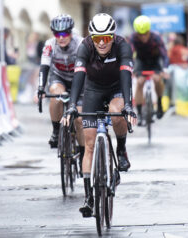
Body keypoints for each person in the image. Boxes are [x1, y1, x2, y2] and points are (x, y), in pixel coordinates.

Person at [62, 13, 137, 217]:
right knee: (90, 144)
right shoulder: (84, 47)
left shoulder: (122, 46)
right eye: (97, 39)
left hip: (116, 88)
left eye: (106, 38)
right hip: (93, 89)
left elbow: (125, 77)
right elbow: (78, 77)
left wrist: (128, 106)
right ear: (91, 38)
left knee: (116, 112)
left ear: (113, 36)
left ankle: (121, 150)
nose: (102, 43)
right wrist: (71, 106)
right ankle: (89, 197)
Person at [37, 14, 86, 174]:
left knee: (79, 119)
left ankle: (83, 152)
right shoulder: (50, 45)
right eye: (57, 34)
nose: (61, 37)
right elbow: (44, 67)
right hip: (59, 78)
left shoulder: (80, 43)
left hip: (80, 79)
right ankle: (56, 131)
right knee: (57, 96)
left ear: (71, 32)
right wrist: (40, 88)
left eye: (65, 33)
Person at [129, 15, 169, 125]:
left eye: (145, 33)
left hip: (155, 61)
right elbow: (130, 54)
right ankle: (140, 114)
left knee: (157, 79)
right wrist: (130, 67)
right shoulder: (133, 37)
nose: (143, 37)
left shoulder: (156, 37)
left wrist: (165, 68)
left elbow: (164, 54)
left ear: (149, 30)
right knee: (140, 82)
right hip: (141, 61)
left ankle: (160, 104)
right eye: (140, 34)